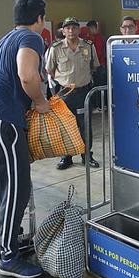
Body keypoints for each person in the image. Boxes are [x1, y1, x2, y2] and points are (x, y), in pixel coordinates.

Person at [0, 0, 50, 278]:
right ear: (39, 17)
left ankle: (10, 241)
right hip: (2, 123)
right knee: (18, 188)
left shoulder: (6, 38)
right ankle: (8, 256)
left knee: (12, 187)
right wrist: (41, 102)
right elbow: (27, 75)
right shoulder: (31, 38)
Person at [46, 16, 100, 170]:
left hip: (84, 92)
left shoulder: (88, 46)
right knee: (65, 126)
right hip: (64, 93)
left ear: (78, 29)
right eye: (68, 28)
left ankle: (86, 156)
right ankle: (66, 157)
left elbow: (94, 66)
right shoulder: (55, 48)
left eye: (74, 27)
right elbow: (49, 70)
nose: (71, 30)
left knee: (85, 124)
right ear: (63, 31)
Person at [85, 20, 107, 110]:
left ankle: (101, 106)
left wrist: (92, 66)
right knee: (97, 86)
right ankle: (101, 105)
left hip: (99, 67)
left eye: (90, 28)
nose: (89, 30)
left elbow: (97, 53)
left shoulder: (98, 38)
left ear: (94, 28)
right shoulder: (92, 38)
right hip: (97, 67)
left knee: (99, 86)